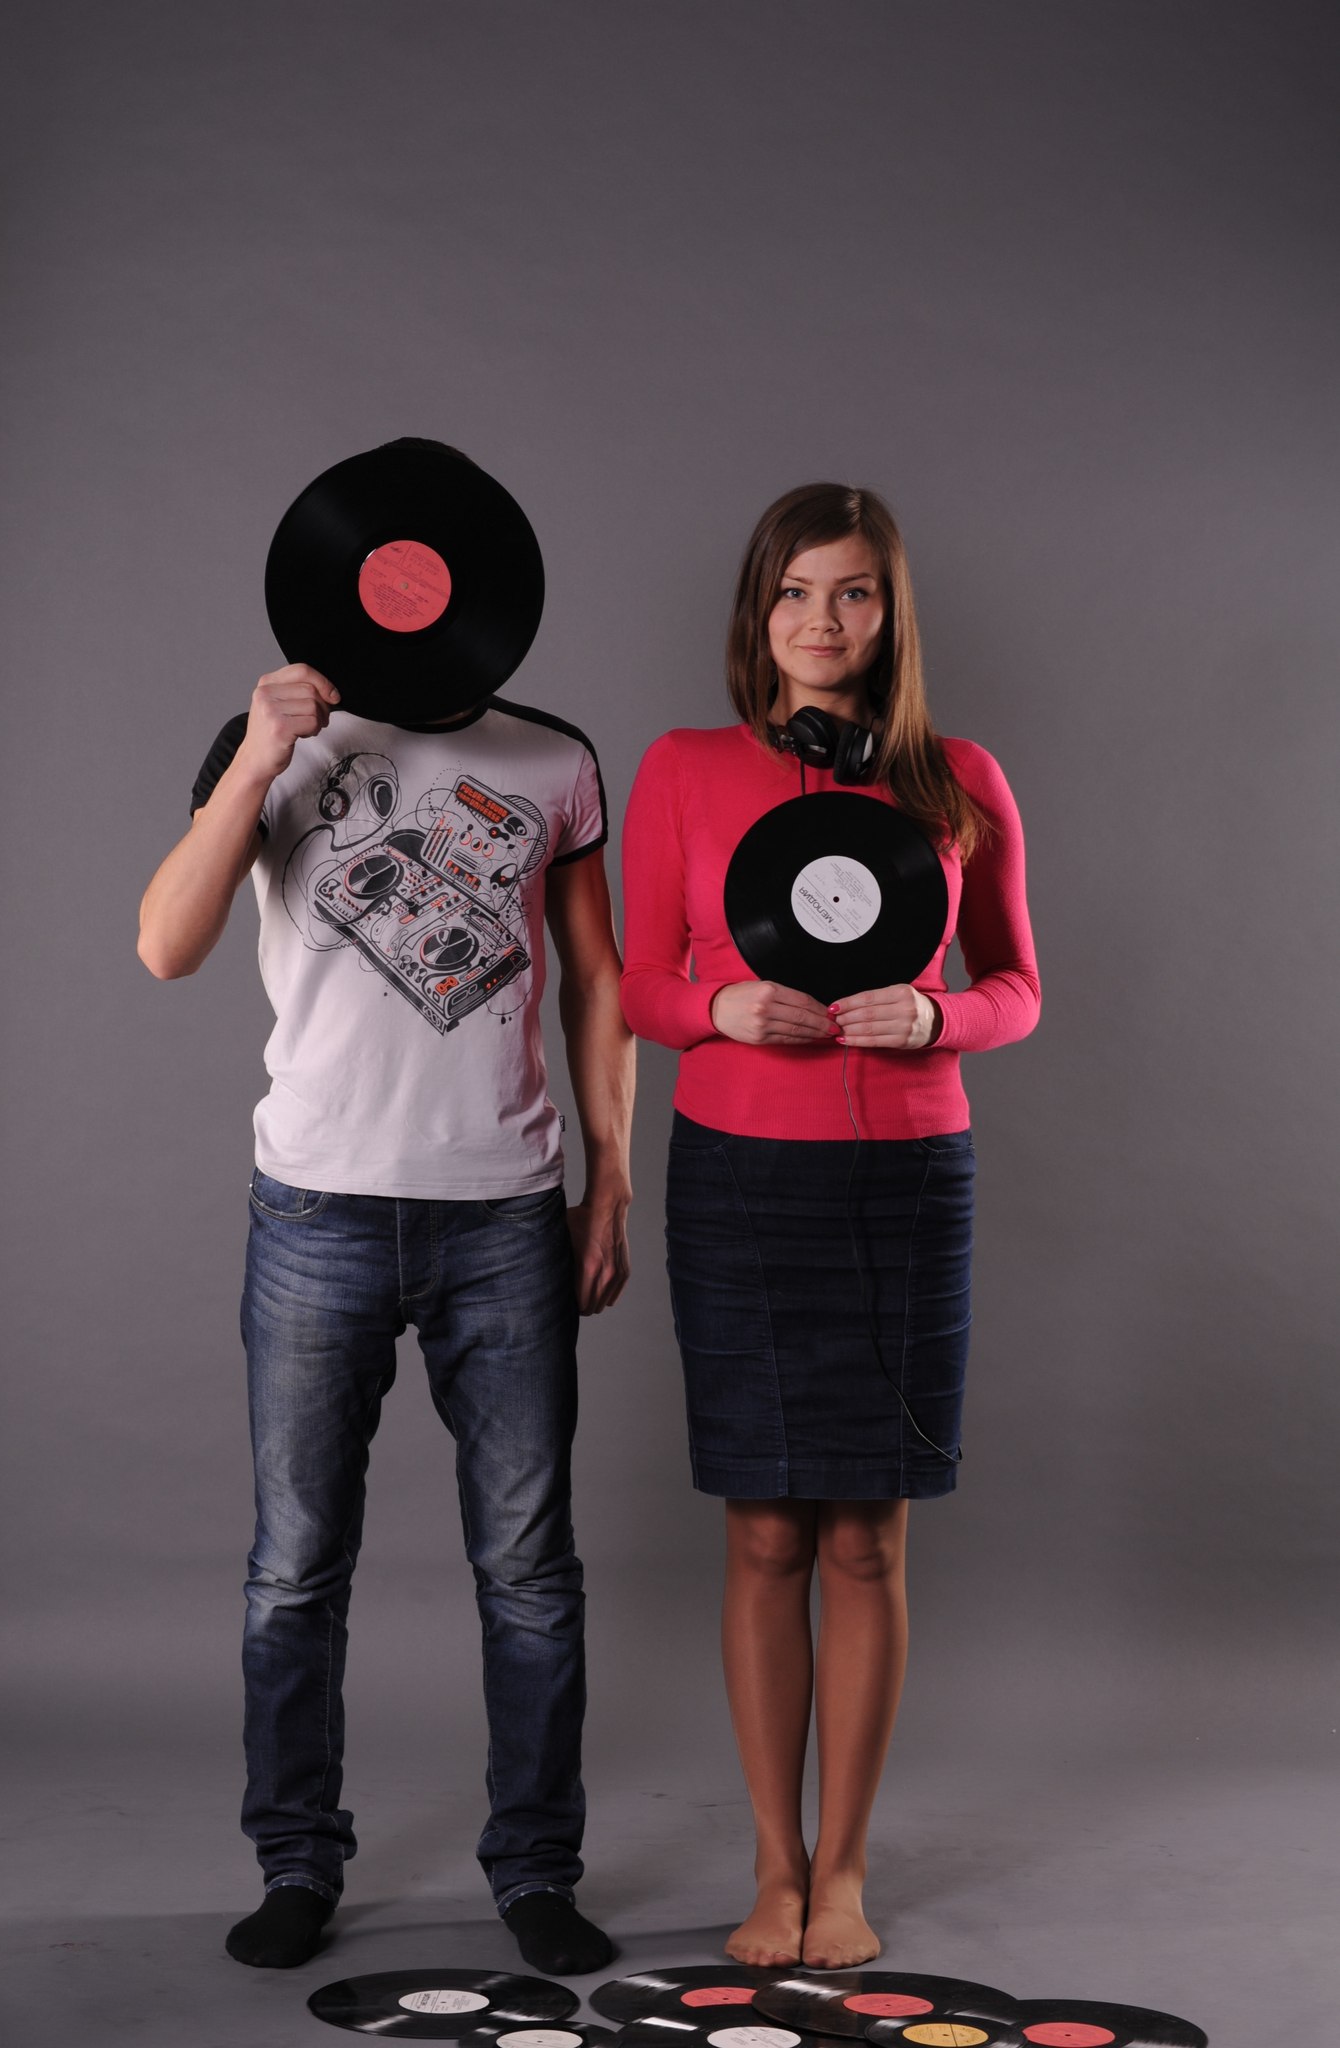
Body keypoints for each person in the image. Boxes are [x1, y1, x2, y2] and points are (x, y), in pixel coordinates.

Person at [138, 631, 634, 1975]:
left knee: (530, 1570)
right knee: (295, 1568)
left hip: (505, 1215)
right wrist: (259, 755)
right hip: (317, 1211)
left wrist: (610, 1183)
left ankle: (536, 1870)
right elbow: (165, 944)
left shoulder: (555, 759)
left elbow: (601, 981)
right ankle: (296, 1864)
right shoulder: (274, 744)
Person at [620, 482, 1039, 1971]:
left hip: (907, 1183)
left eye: (853, 591)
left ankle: (845, 1870)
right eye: (795, 591)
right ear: (760, 610)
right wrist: (717, 1006)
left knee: (867, 1537)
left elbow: (1017, 989)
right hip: (739, 1179)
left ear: (889, 612)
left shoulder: (960, 780)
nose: (822, 620)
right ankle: (774, 1866)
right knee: (763, 1532)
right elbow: (637, 982)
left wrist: (936, 1015)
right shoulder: (683, 768)